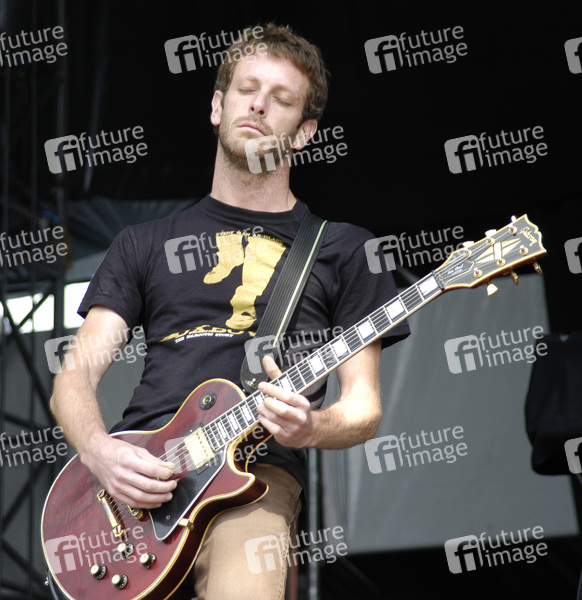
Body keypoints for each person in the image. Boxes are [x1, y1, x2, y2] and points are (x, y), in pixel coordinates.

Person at [49, 23, 409, 599]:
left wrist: (312, 426)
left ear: (305, 132)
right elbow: (74, 376)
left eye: (282, 99)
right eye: (247, 89)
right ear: (218, 107)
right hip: (135, 482)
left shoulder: (345, 249)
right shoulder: (143, 243)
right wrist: (101, 453)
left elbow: (363, 409)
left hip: (254, 482)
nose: (260, 105)